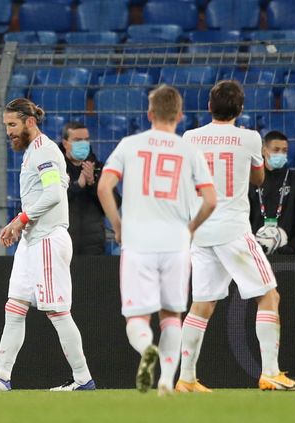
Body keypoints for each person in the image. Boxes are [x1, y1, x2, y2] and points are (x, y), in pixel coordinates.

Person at [177, 80, 295, 393]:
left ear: (209, 107)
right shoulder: (250, 138)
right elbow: (258, 178)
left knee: (202, 305)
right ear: (240, 109)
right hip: (233, 229)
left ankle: (185, 378)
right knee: (269, 295)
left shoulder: (190, 137)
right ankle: (271, 372)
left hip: (201, 231)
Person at [0, 98, 96, 392]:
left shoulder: (45, 150)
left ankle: (82, 379)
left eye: (12, 125)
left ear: (29, 121)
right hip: (31, 240)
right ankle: (1, 378)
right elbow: (42, 194)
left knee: (56, 311)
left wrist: (21, 219)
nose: (9, 131)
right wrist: (20, 222)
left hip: (48, 240)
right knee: (15, 306)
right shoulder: (31, 153)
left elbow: (53, 193)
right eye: (6, 126)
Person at [97, 85, 217, 395]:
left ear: (150, 114)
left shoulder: (129, 144)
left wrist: (118, 224)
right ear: (179, 115)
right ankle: (166, 379)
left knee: (138, 316)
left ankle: (145, 348)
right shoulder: (189, 150)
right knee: (172, 314)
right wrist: (191, 227)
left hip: (138, 240)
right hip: (176, 241)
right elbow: (211, 200)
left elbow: (103, 187)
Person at [249, 130, 295, 254]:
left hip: (289, 255)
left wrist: (293, 247)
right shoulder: (250, 180)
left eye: (284, 151)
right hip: (255, 254)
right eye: (276, 150)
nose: (280, 154)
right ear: (264, 151)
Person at [60, 121, 119, 255]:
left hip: (93, 245)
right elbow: (51, 198)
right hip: (63, 244)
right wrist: (78, 185)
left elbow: (115, 202)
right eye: (77, 140)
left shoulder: (99, 168)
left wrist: (93, 183)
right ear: (65, 143)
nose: (83, 143)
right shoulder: (56, 168)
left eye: (86, 140)